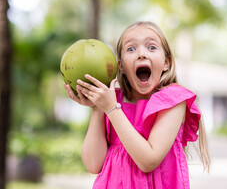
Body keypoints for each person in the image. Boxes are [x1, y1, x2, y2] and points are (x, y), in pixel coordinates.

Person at [64, 21, 211, 189]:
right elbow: (93, 164)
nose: (141, 54)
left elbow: (148, 160)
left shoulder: (174, 101)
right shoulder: (111, 101)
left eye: (152, 47)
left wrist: (111, 109)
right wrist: (98, 108)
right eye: (131, 49)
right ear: (121, 66)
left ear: (166, 62)